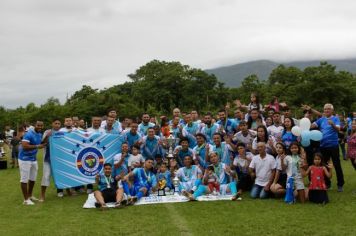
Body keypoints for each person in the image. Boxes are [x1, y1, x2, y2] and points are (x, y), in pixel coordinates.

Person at [310, 103, 345, 192]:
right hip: (323, 146)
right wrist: (307, 124)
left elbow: (338, 129)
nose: (326, 110)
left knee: (337, 165)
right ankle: (327, 183)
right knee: (324, 165)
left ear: (332, 110)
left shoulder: (335, 118)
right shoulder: (321, 119)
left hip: (333, 146)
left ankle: (340, 184)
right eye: (325, 109)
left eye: (328, 109)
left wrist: (332, 124)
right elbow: (312, 126)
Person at [18, 121, 45, 205]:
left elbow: (41, 143)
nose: (40, 127)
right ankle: (26, 200)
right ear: (35, 125)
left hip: (33, 159)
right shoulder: (29, 134)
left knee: (33, 179)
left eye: (41, 125)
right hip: (24, 159)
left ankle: (30, 196)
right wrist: (37, 146)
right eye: (38, 125)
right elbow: (24, 146)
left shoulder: (40, 134)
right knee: (24, 179)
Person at [39, 118, 61, 202]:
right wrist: (48, 136)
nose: (57, 125)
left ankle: (68, 191)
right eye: (55, 123)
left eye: (59, 123)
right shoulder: (47, 132)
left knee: (62, 175)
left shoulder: (63, 132)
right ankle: (42, 195)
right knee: (46, 176)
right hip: (48, 158)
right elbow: (42, 144)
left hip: (59, 159)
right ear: (52, 124)